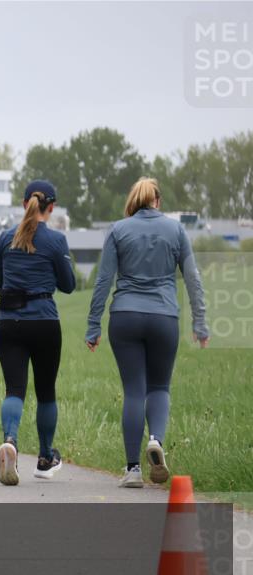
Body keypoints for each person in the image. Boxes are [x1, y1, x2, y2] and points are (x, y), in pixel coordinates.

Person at [86, 177, 209, 488]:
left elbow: (103, 280)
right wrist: (200, 323)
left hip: (125, 316)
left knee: (134, 391)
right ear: (158, 201)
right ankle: (155, 440)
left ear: (134, 201)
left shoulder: (118, 229)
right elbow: (193, 278)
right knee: (159, 387)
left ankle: (132, 470)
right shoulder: (176, 230)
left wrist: (93, 324)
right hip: (164, 317)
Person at [0, 180, 76, 486]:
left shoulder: (5, 238)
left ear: (24, 203)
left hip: (9, 323)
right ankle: (44, 458)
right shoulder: (56, 240)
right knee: (46, 392)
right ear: (51, 207)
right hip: (44, 322)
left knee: (14, 389)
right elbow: (68, 285)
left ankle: (10, 441)